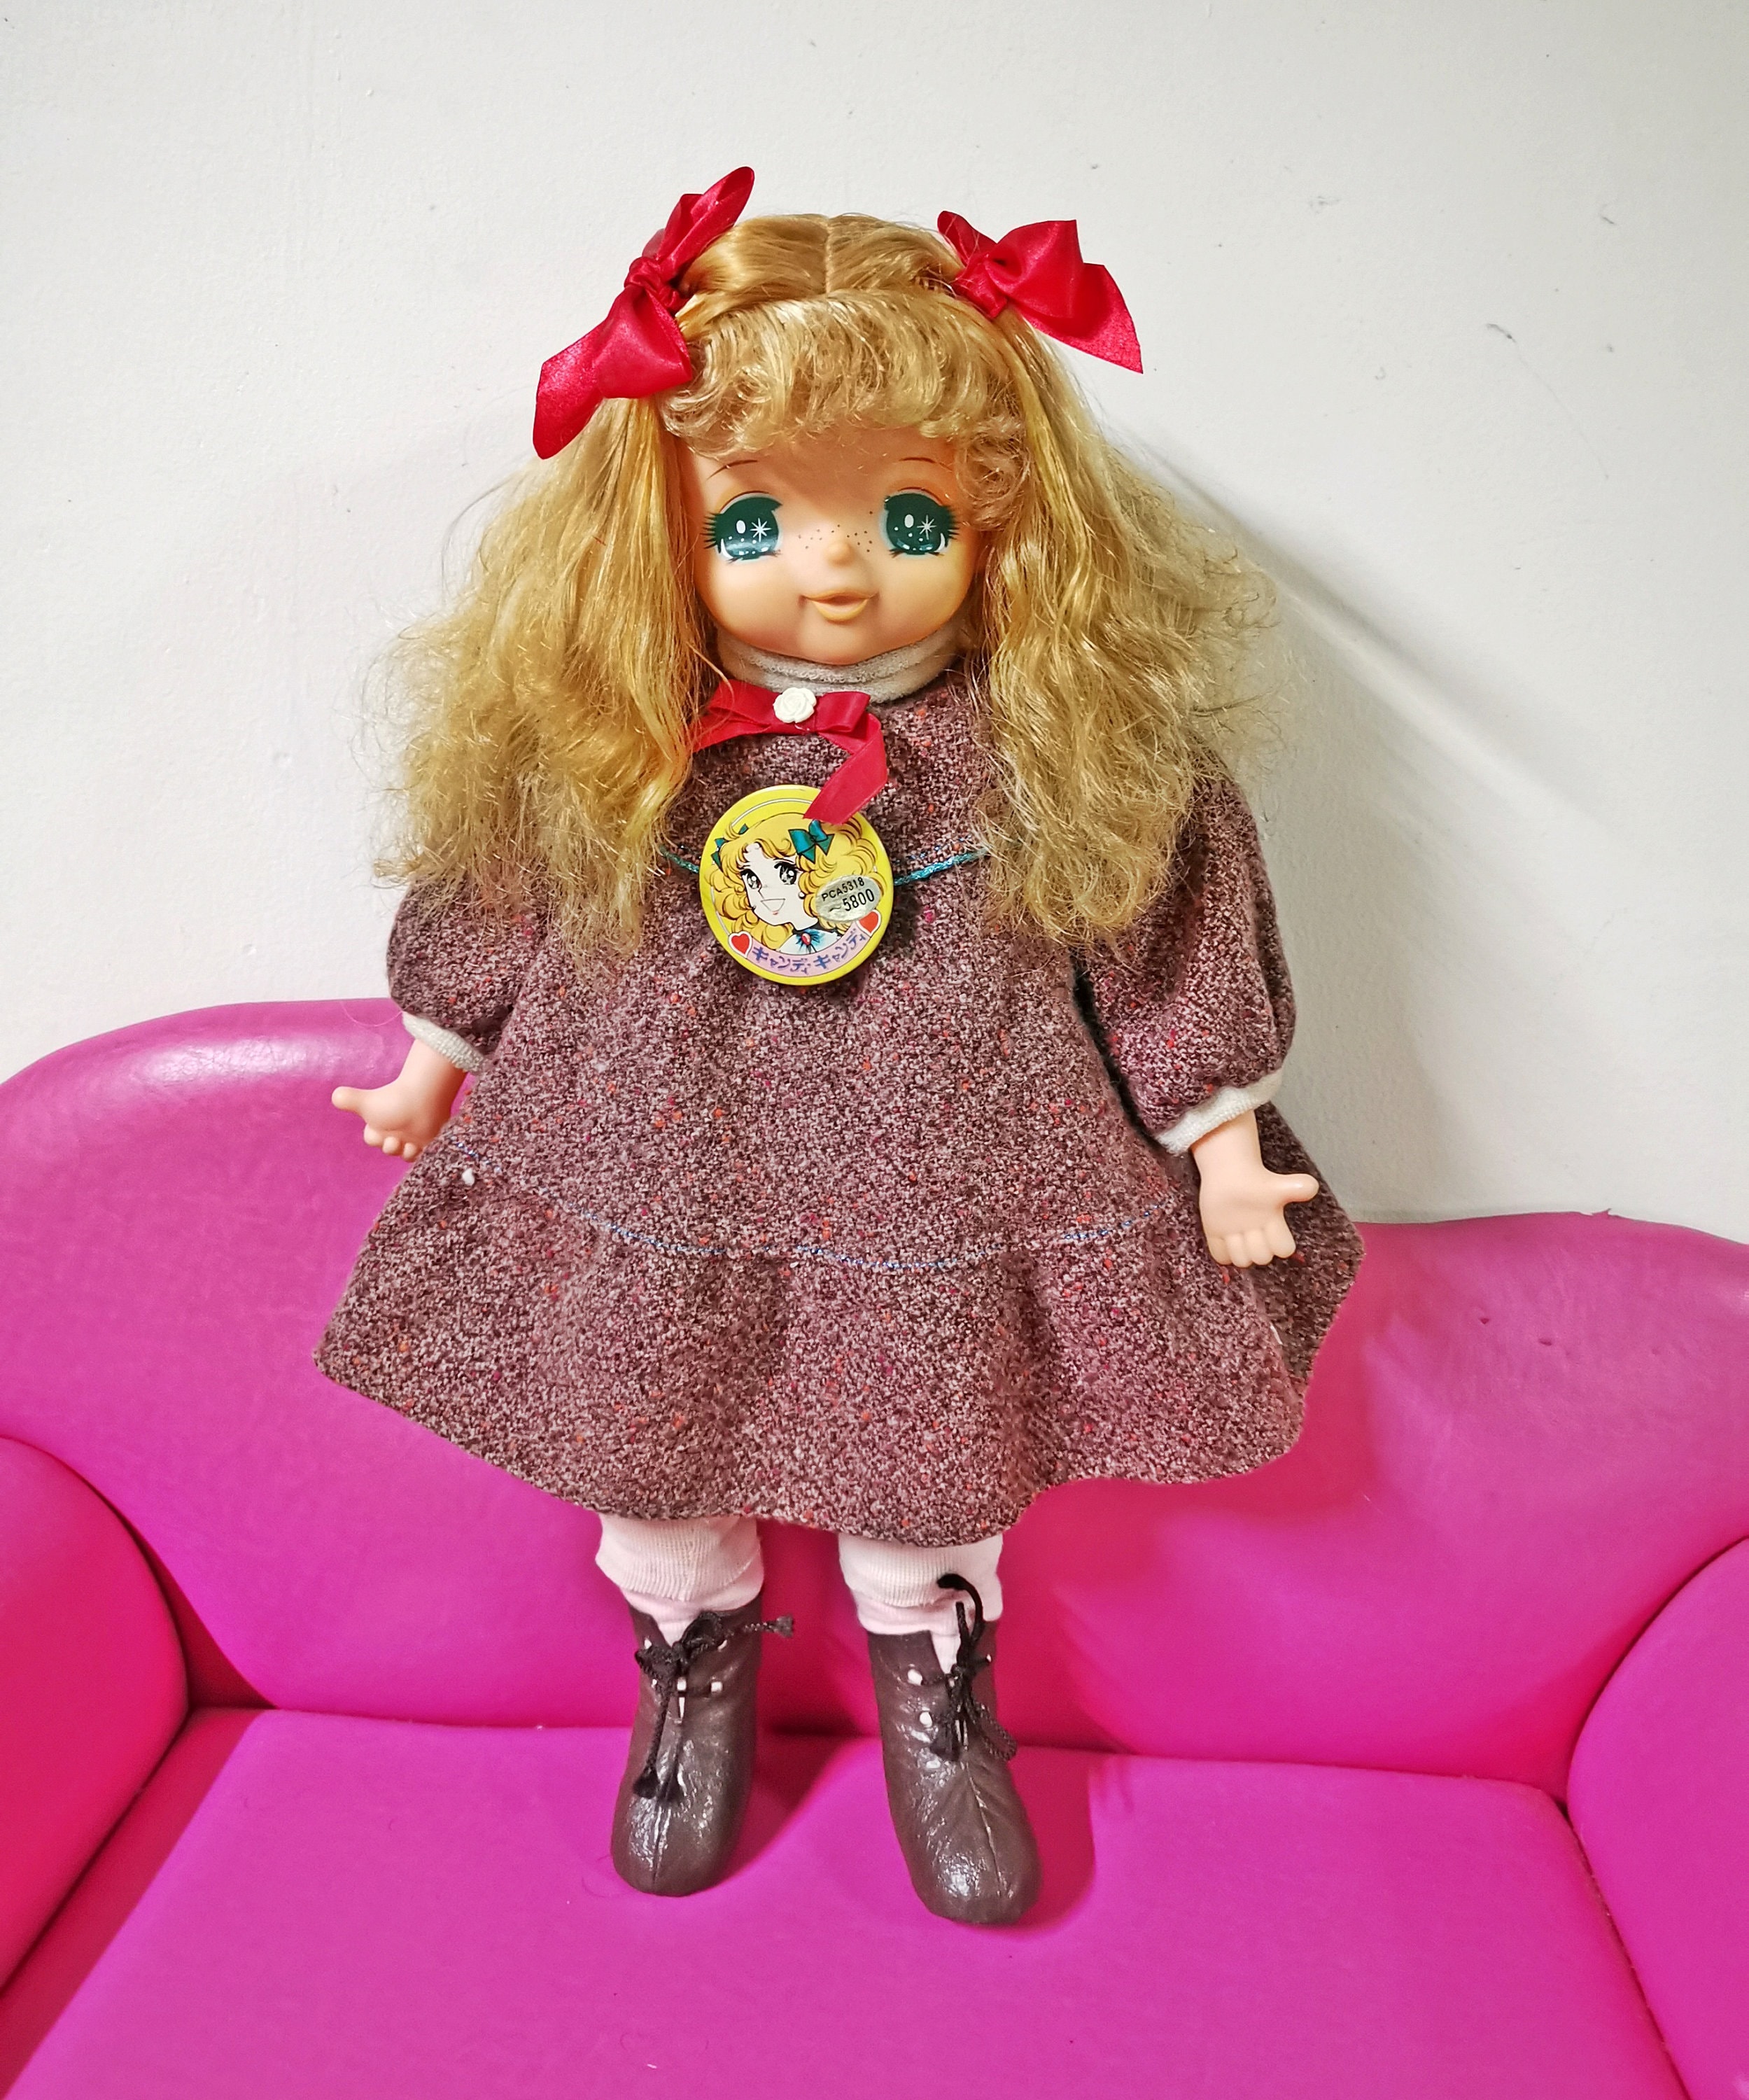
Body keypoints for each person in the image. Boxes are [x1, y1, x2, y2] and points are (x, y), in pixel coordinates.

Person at [316, 169, 1363, 1926]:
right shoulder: (615, 732)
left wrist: (1224, 1143)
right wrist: (438, 1051)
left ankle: (935, 1690)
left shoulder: (1054, 739)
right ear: (654, 529)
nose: (831, 565)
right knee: (648, 1438)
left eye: (906, 511)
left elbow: (1160, 934)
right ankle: (691, 1661)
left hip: (945, 1180)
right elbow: (508, 886)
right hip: (659, 1164)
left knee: (928, 1456)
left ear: (1002, 514)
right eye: (753, 521)